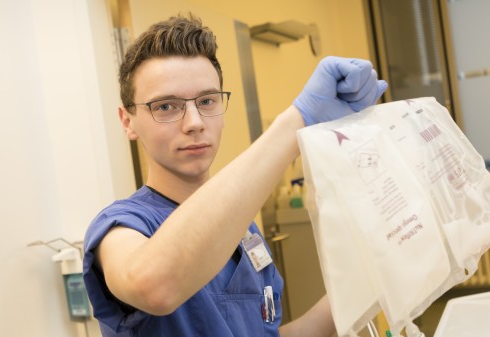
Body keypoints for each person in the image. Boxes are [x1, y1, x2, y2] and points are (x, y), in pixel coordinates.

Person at [83, 13, 387, 337]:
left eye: (207, 100)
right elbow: (154, 286)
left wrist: (374, 278)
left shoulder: (242, 229)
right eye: (166, 107)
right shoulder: (120, 229)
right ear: (127, 120)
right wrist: (298, 120)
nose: (194, 122)